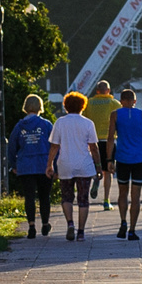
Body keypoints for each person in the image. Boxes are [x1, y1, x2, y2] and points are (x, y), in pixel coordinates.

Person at [48, 91, 102, 241]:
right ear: (82, 106)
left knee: (66, 197)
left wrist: (49, 165)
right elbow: (94, 148)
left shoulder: (60, 122)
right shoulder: (88, 123)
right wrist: (98, 167)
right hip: (84, 166)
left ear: (65, 106)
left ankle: (70, 224)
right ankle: (81, 232)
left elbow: (54, 146)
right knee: (83, 199)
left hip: (65, 165)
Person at [109, 86, 142, 239]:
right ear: (135, 101)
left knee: (122, 193)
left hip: (122, 158)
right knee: (136, 196)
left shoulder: (115, 115)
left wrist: (109, 160)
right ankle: (132, 230)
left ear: (120, 101)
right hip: (139, 159)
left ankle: (123, 221)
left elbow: (110, 138)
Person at [8, 94, 55, 238]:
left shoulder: (19, 126)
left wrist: (13, 164)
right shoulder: (46, 124)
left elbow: (11, 146)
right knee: (44, 196)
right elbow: (54, 145)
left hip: (25, 165)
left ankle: (31, 226)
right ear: (40, 106)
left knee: (29, 197)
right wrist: (54, 165)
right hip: (43, 164)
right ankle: (45, 224)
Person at [82, 79, 120, 209]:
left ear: (97, 91)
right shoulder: (114, 103)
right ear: (108, 91)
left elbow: (84, 121)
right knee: (108, 171)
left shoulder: (89, 103)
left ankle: (95, 179)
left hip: (93, 143)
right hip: (108, 142)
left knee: (93, 168)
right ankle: (106, 200)